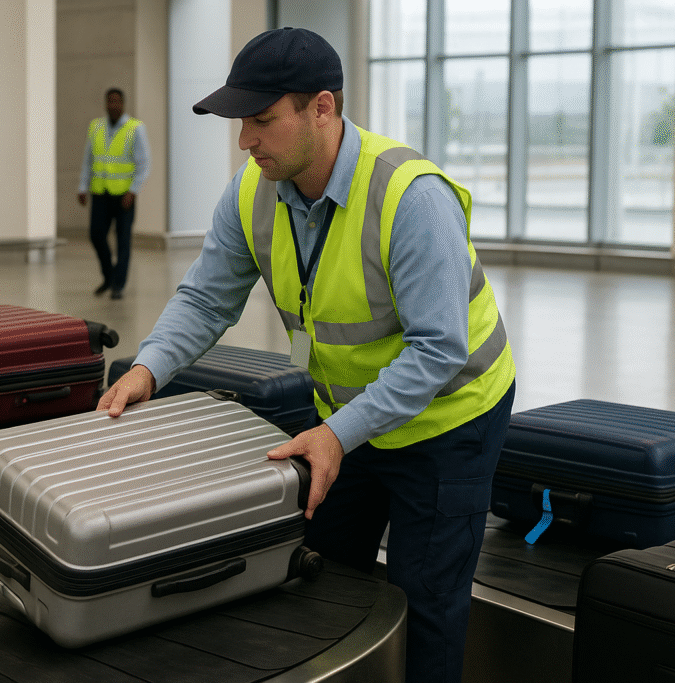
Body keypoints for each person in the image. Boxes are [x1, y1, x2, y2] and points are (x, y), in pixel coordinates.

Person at [98, 28, 516, 683]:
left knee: (425, 598)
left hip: (448, 421)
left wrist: (336, 434)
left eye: (262, 121)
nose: (245, 141)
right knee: (323, 570)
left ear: (321, 108)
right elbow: (206, 297)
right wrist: (149, 367)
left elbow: (438, 351)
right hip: (343, 418)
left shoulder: (411, 198)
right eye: (242, 123)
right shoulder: (252, 193)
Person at [77, 87, 151, 300]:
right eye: (110, 101)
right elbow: (88, 159)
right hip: (100, 192)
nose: (113, 105)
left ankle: (118, 284)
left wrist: (133, 191)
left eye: (117, 101)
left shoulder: (135, 128)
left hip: (124, 195)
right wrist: (83, 186)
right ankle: (109, 275)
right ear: (105, 103)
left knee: (123, 240)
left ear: (123, 104)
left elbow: (144, 164)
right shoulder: (96, 127)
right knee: (96, 235)